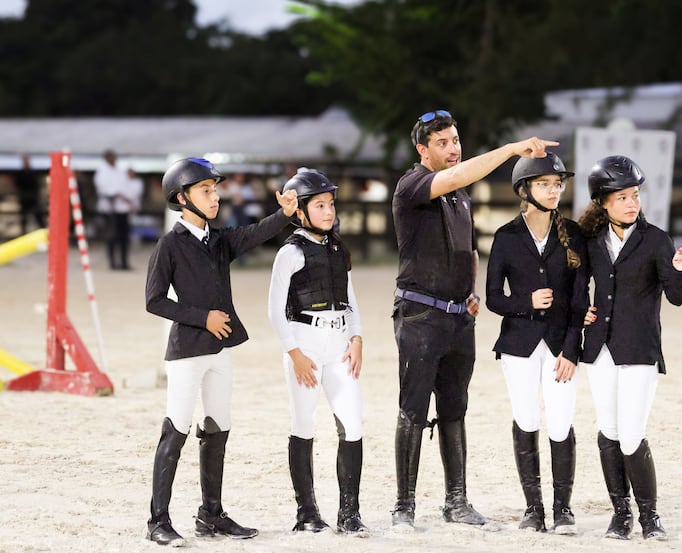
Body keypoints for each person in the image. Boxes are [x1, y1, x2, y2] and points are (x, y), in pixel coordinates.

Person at [390, 108, 558, 528]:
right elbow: (458, 176)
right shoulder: (412, 186)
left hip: (457, 319)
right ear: (422, 150)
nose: (452, 148)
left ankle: (456, 501)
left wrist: (470, 293)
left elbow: (468, 251)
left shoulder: (459, 198)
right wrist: (511, 149)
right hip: (419, 316)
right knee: (412, 410)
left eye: (455, 140)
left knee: (454, 409)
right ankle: (404, 506)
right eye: (442, 143)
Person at [144, 157, 298, 547]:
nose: (215, 197)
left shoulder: (218, 240)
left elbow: (254, 233)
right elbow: (155, 301)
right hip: (187, 352)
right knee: (176, 431)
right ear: (182, 198)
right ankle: (157, 520)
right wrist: (202, 317)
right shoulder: (169, 245)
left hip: (220, 350)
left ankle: (210, 514)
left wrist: (284, 215)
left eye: (215, 190)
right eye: (206, 191)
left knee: (218, 429)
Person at [578, 155, 682, 541]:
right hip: (599, 352)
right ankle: (620, 515)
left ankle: (650, 517)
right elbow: (578, 291)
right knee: (608, 432)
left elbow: (676, 298)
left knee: (631, 435)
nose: (632, 203)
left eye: (635, 195)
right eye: (623, 197)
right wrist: (583, 314)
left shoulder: (657, 240)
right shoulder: (592, 242)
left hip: (640, 350)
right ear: (603, 202)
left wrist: (680, 268)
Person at [485, 149, 589, 534]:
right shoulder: (506, 237)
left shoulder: (575, 234)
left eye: (557, 184)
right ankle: (534, 508)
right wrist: (525, 303)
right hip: (519, 345)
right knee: (526, 420)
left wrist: (572, 348)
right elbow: (494, 297)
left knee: (560, 422)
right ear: (524, 189)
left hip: (561, 344)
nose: (553, 190)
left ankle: (562, 508)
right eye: (544, 184)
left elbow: (582, 299)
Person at [267, 168, 367, 536]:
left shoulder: (339, 248)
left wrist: (357, 338)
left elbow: (350, 296)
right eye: (320, 205)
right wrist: (294, 354)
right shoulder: (290, 253)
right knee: (304, 425)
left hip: (339, 344)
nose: (329, 211)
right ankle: (306, 511)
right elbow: (274, 309)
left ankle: (349, 512)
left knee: (353, 425)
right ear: (301, 211)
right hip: (304, 344)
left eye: (331, 204)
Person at [93, 149, 133, 270]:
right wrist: (117, 194)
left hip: (122, 208)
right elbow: (103, 189)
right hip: (109, 209)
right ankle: (112, 262)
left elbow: (126, 186)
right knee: (111, 236)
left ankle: (124, 262)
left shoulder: (120, 171)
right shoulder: (101, 172)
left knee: (124, 237)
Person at [14, 154, 46, 235]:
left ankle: (45, 232)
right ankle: (23, 234)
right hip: (25, 198)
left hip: (33, 198)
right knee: (24, 218)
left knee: (38, 216)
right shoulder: (21, 174)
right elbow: (17, 185)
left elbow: (37, 185)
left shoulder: (33, 173)